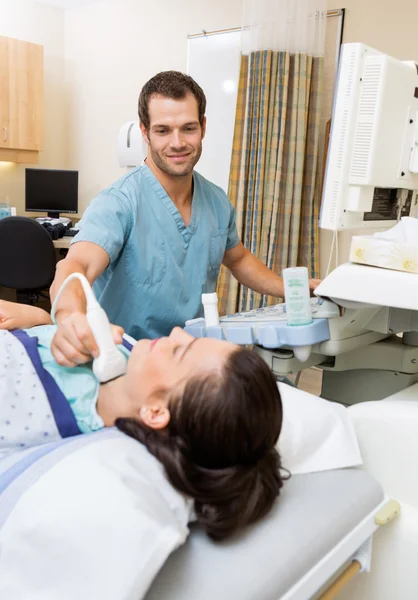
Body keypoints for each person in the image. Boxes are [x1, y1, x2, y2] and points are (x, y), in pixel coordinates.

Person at [49, 70, 320, 368]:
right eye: (163, 130)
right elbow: (76, 266)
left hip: (187, 359)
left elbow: (239, 259)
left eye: (188, 128)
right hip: (127, 362)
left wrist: (292, 289)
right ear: (145, 131)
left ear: (203, 127)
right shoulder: (118, 203)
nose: (177, 143)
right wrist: (69, 317)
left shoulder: (216, 202)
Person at [0, 300, 285, 541]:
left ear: (157, 411)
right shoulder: (122, 347)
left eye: (178, 351)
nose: (175, 332)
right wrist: (38, 318)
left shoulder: (42, 416)